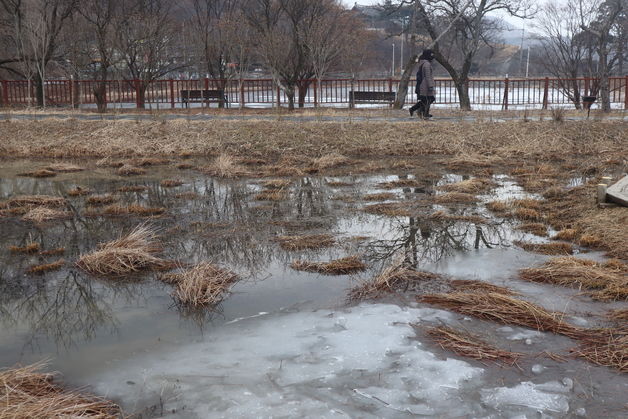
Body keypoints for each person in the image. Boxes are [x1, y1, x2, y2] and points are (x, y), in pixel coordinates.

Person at [409, 49, 436, 119]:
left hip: (423, 84)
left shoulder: (423, 63)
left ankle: (419, 111)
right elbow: (428, 76)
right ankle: (423, 113)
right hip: (425, 85)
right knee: (429, 99)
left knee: (426, 100)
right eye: (431, 55)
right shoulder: (426, 64)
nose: (432, 57)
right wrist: (430, 86)